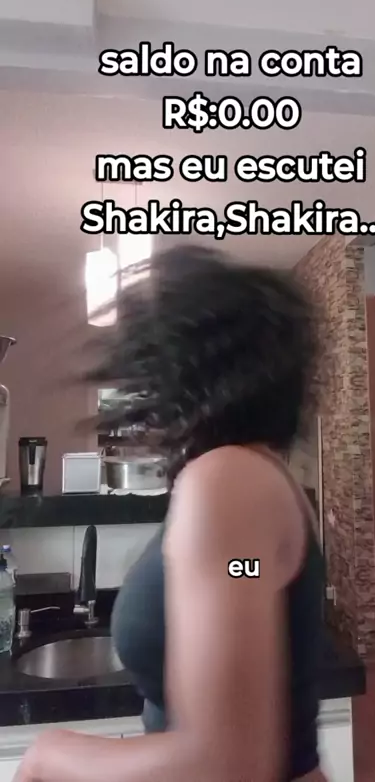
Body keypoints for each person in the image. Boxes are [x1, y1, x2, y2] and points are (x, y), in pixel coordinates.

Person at [15, 245, 328, 782]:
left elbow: (227, 764)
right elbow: (242, 576)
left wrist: (50, 753)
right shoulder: (253, 478)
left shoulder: (228, 481)